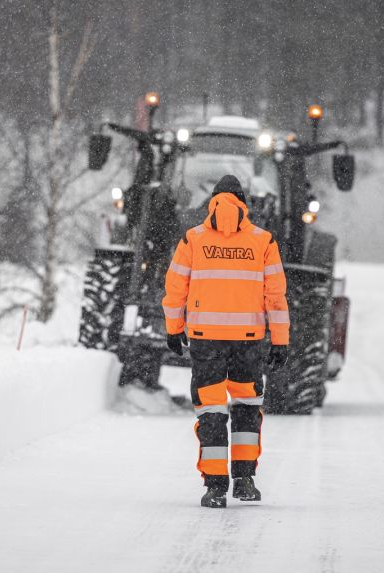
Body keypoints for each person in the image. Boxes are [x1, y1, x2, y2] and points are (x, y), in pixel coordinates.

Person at [162, 174, 290, 508]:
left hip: (205, 340)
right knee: (246, 407)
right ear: (243, 204)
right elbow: (276, 297)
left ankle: (215, 487)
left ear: (213, 203)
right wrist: (280, 340)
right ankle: (244, 481)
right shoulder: (264, 241)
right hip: (248, 341)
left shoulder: (192, 239)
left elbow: (175, 289)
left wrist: (174, 328)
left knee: (212, 409)